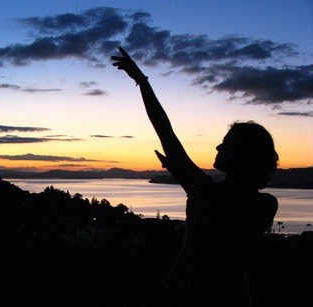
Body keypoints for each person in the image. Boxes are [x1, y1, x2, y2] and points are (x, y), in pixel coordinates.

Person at [111, 47, 278, 306]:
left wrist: (141, 80)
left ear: (243, 155)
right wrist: (185, 175)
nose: (218, 148)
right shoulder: (265, 204)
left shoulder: (209, 194)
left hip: (186, 296)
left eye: (226, 144)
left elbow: (165, 130)